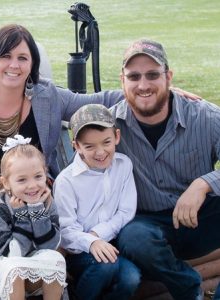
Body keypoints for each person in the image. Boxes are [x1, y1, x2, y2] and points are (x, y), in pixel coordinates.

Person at [0, 24, 199, 234]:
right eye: (5, 56)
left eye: (23, 58)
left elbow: (95, 101)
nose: (14, 65)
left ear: (33, 65)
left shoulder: (47, 97)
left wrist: (150, 89)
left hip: (36, 200)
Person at [108, 38, 220, 300]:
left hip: (201, 217)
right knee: (133, 237)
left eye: (153, 75)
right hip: (148, 226)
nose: (143, 85)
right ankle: (190, 288)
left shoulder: (205, 117)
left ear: (168, 76)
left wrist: (203, 184)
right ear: (122, 80)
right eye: (134, 76)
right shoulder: (109, 125)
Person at [53, 104, 140, 300]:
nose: (100, 152)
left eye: (106, 142)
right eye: (89, 146)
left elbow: (126, 211)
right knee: (106, 266)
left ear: (116, 136)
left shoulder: (123, 165)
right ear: (76, 146)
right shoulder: (67, 181)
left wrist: (98, 233)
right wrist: (91, 241)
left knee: (131, 278)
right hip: (79, 251)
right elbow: (65, 231)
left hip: (111, 244)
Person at [0, 134, 66, 300]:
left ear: (45, 173)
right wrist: (22, 215)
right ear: (7, 182)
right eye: (22, 179)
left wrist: (36, 208)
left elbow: (50, 245)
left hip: (33, 261)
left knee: (55, 258)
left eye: (38, 176)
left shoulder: (45, 201)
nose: (32, 185)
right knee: (15, 267)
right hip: (0, 265)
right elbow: (13, 253)